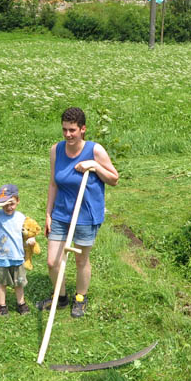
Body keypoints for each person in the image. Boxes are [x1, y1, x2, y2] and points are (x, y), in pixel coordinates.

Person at [37, 107, 119, 318]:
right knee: (52, 262)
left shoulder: (95, 150)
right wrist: (48, 213)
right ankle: (61, 298)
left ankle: (80, 298)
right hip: (61, 213)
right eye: (64, 130)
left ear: (83, 129)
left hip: (86, 214)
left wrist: (94, 165)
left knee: (81, 260)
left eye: (72, 130)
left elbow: (114, 179)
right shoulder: (56, 150)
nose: (68, 135)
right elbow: (53, 184)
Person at [0, 184, 35, 316]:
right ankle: (2, 306)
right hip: (2, 257)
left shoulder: (21, 217)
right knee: (2, 283)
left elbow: (26, 233)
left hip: (17, 257)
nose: (9, 207)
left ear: (18, 201)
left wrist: (30, 240)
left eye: (12, 203)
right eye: (5, 204)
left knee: (19, 283)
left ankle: (21, 304)